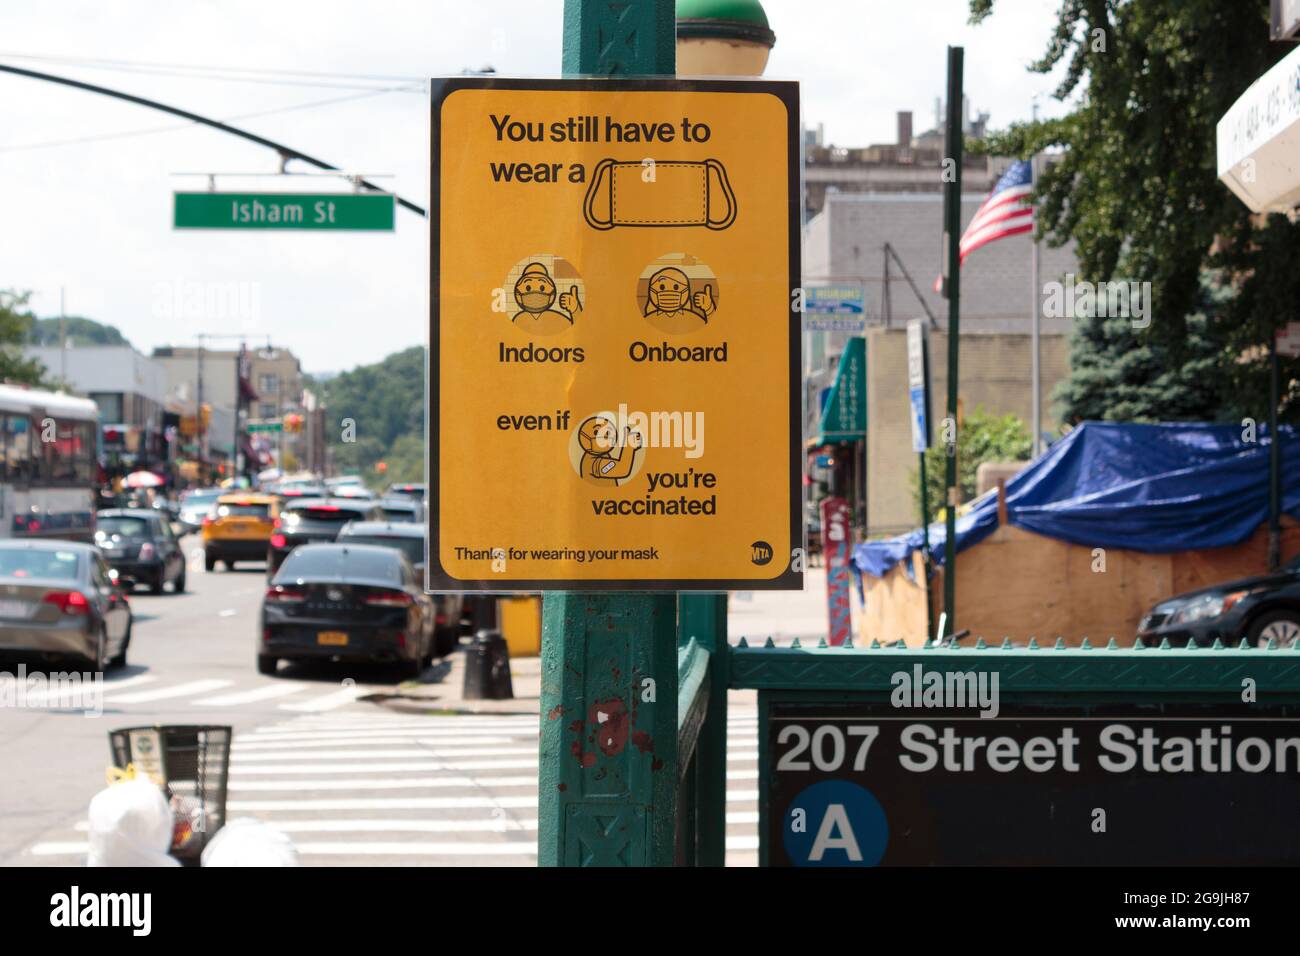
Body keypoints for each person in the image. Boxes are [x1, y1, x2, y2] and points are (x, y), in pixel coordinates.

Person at [512, 262, 582, 333]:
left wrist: (575, 310)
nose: (535, 293)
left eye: (542, 288)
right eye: (528, 287)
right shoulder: (518, 319)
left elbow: (577, 332)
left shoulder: (557, 319)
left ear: (552, 296)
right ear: (518, 296)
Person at [643, 266, 715, 333]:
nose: (669, 293)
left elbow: (712, 332)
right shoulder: (649, 320)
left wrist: (709, 309)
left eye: (676, 287)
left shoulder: (692, 318)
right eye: (662, 287)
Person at [576, 416, 642, 485]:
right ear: (585, 439)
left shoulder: (601, 455)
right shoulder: (593, 462)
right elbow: (622, 470)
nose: (606, 435)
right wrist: (629, 446)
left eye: (608, 431)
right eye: (596, 432)